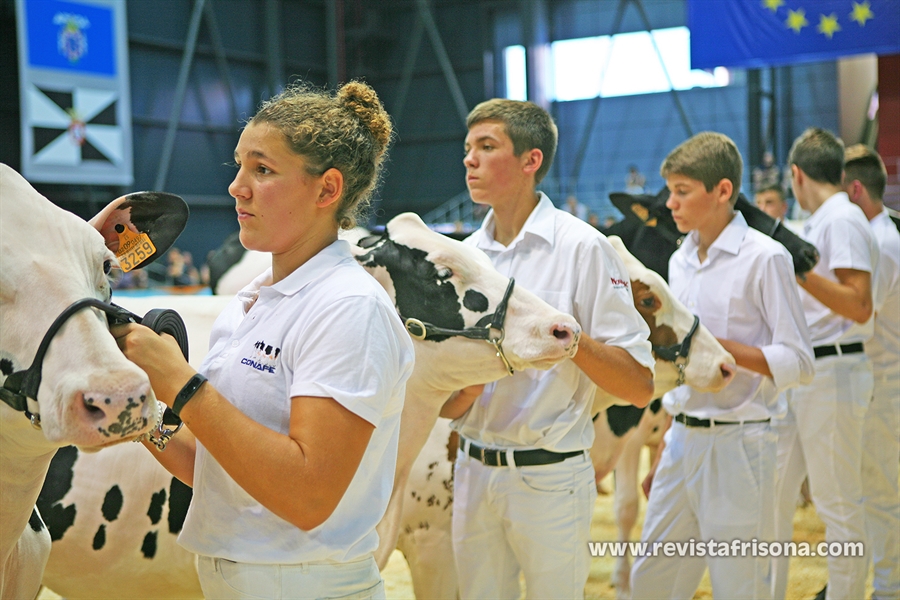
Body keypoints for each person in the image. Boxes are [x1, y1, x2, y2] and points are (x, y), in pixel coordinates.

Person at [112, 81, 415, 599]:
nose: (236, 186)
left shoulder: (347, 307)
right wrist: (141, 412)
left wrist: (181, 383)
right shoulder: (253, 302)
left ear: (327, 189)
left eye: (262, 169)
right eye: (239, 166)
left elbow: (308, 494)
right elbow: (214, 469)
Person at [441, 98, 655, 598]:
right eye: (467, 148)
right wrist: (465, 387)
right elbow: (447, 404)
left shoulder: (584, 248)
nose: (469, 159)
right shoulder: (465, 258)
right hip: (472, 472)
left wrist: (569, 342)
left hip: (550, 479)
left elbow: (640, 384)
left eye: (486, 147)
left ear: (530, 161)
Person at [628, 132, 814, 600]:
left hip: (742, 442)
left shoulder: (766, 257)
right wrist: (668, 440)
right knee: (653, 580)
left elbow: (799, 360)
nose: (670, 203)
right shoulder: (679, 260)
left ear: (723, 191)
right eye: (669, 190)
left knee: (741, 586)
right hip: (681, 441)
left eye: (682, 191)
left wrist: (720, 348)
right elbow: (680, 364)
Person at [772, 127, 879, 600]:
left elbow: (859, 304)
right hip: (811, 370)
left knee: (837, 504)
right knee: (774, 494)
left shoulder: (841, 218)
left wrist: (797, 269)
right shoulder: (823, 220)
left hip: (835, 367)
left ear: (796, 175)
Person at [843, 143, 900, 600]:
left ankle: (888, 588)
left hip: (885, 380)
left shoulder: (881, 241)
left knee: (881, 496)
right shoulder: (879, 236)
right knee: (868, 493)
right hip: (877, 380)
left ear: (855, 189)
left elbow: (860, 316)